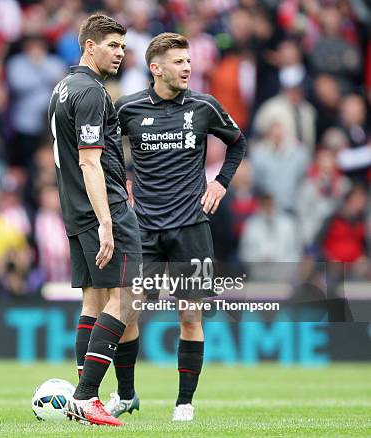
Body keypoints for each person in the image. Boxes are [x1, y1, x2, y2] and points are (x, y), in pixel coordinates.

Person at [114, 33, 247, 421]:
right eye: (178, 62)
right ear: (156, 68)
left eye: (188, 61)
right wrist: (119, 181)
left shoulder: (205, 106)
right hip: (143, 229)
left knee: (189, 315)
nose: (187, 68)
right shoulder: (128, 108)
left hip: (191, 227)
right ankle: (126, 394)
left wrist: (220, 182)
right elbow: (104, 149)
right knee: (126, 311)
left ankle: (184, 402)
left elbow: (238, 143)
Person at [48, 13, 142, 427]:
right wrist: (107, 220)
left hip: (75, 209)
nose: (120, 53)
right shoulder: (91, 93)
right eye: (113, 46)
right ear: (90, 46)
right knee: (127, 298)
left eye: (123, 47)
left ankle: (83, 396)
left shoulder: (64, 87)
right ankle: (87, 396)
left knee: (94, 301)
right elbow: (89, 162)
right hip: (103, 210)